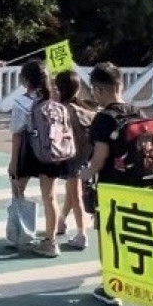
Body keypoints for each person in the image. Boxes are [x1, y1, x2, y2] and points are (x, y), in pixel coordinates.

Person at [78, 62, 141, 306]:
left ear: (99, 90)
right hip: (138, 186)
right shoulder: (136, 111)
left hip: (112, 185)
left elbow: (100, 155)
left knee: (109, 235)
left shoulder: (104, 119)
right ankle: (133, 278)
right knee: (130, 233)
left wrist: (86, 173)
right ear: (120, 85)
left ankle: (111, 287)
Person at [8, 60, 61, 258]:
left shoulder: (22, 102)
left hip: (27, 152)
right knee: (50, 197)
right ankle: (51, 241)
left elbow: (17, 134)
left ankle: (20, 234)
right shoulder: (55, 101)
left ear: (25, 80)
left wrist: (13, 163)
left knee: (18, 192)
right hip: (51, 153)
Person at [54, 69, 95, 251]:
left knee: (76, 194)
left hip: (70, 156)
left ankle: (82, 234)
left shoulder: (63, 110)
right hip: (85, 156)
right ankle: (61, 222)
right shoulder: (85, 108)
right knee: (72, 191)